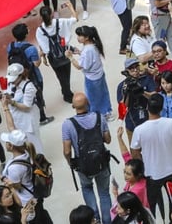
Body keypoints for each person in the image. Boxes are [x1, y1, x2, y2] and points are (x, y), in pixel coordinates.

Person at [130, 94, 172, 218]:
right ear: (162, 108)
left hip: (152, 174)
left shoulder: (140, 130)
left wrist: (143, 162)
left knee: (150, 203)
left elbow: (134, 152)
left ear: (147, 108)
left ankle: (151, 220)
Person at [62, 93, 113, 224]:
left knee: (87, 188)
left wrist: (71, 163)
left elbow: (67, 150)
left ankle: (94, 219)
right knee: (104, 193)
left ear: (73, 106)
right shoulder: (99, 117)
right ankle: (108, 221)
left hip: (83, 166)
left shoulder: (68, 124)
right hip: (101, 162)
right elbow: (108, 139)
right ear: (88, 103)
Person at [68, 26, 114, 121]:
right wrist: (80, 52)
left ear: (87, 37)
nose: (78, 37)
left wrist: (70, 57)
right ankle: (107, 112)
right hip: (99, 74)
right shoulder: (93, 45)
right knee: (103, 94)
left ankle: (97, 116)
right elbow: (90, 59)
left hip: (92, 78)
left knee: (93, 99)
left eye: (80, 35)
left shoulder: (88, 50)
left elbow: (79, 66)